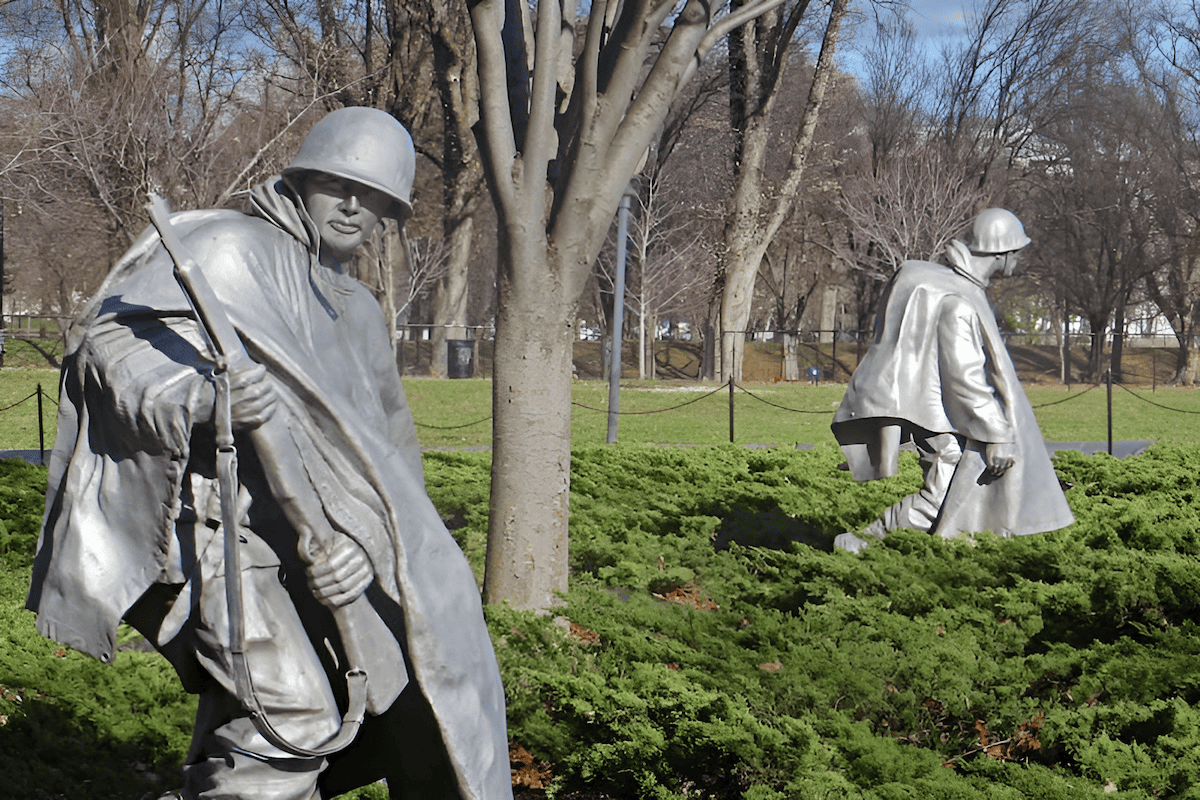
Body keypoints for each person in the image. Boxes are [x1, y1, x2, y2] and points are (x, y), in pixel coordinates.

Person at [27, 107, 513, 800]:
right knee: (293, 718)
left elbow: (389, 459)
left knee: (411, 702)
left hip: (309, 551)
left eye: (375, 199)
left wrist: (373, 555)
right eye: (340, 185)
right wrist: (204, 399)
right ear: (304, 179)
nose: (353, 206)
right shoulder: (226, 250)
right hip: (211, 532)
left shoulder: (362, 313)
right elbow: (109, 356)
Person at [831, 208, 1073, 554]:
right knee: (939, 498)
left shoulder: (957, 287)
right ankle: (859, 543)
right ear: (1003, 253)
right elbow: (966, 382)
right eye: (1017, 252)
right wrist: (998, 435)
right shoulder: (959, 300)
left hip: (938, 412)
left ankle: (927, 551)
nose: (1019, 259)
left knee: (948, 497)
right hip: (941, 418)